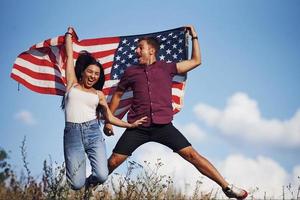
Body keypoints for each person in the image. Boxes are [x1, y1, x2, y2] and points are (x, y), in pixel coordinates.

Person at [103, 25, 248, 199]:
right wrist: (109, 120)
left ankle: (227, 188)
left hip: (163, 126)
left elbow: (196, 61)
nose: (136, 51)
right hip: (137, 126)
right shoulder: (130, 72)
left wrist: (194, 37)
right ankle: (87, 186)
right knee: (113, 162)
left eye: (140, 47)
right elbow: (118, 95)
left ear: (151, 50)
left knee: (192, 155)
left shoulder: (167, 67)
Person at [63, 27, 147, 190]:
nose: (93, 76)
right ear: (83, 72)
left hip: (93, 132)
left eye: (96, 74)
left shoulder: (99, 94)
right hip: (72, 134)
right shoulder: (72, 84)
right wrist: (68, 36)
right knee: (75, 184)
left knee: (102, 175)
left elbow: (109, 117)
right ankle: (82, 186)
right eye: (90, 72)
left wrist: (130, 125)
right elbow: (70, 56)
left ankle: (89, 187)